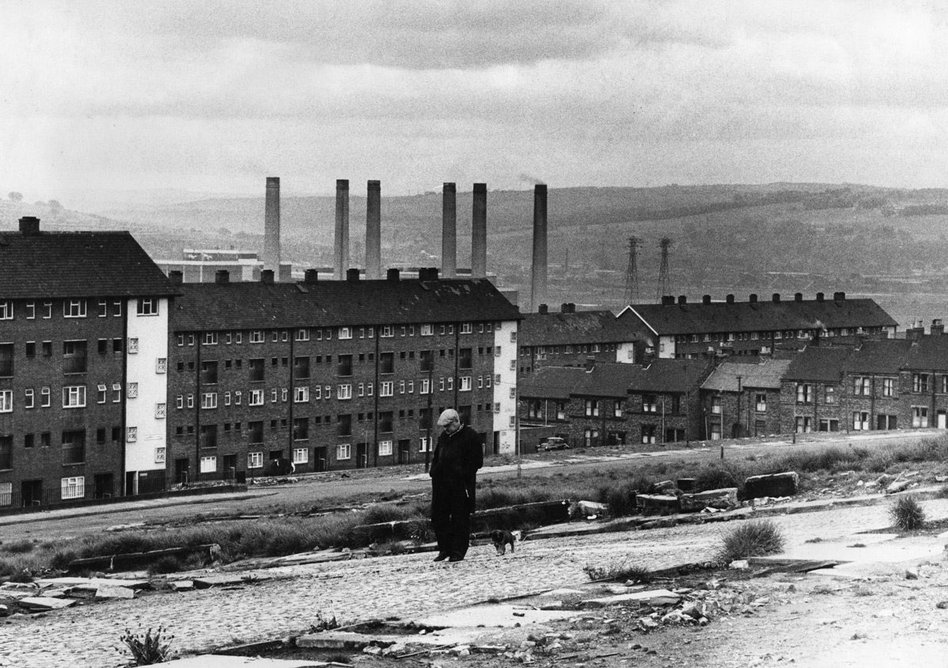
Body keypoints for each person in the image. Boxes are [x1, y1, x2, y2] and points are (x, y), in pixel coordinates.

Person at [429, 408, 483, 562]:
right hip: (441, 485)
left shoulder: (471, 436)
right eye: (444, 427)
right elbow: (437, 456)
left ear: (456, 422)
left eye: (447, 426)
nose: (445, 429)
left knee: (460, 519)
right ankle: (445, 548)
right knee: (439, 517)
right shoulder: (444, 437)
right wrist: (433, 471)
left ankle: (458, 551)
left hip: (461, 485)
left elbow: (477, 462)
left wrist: (461, 472)